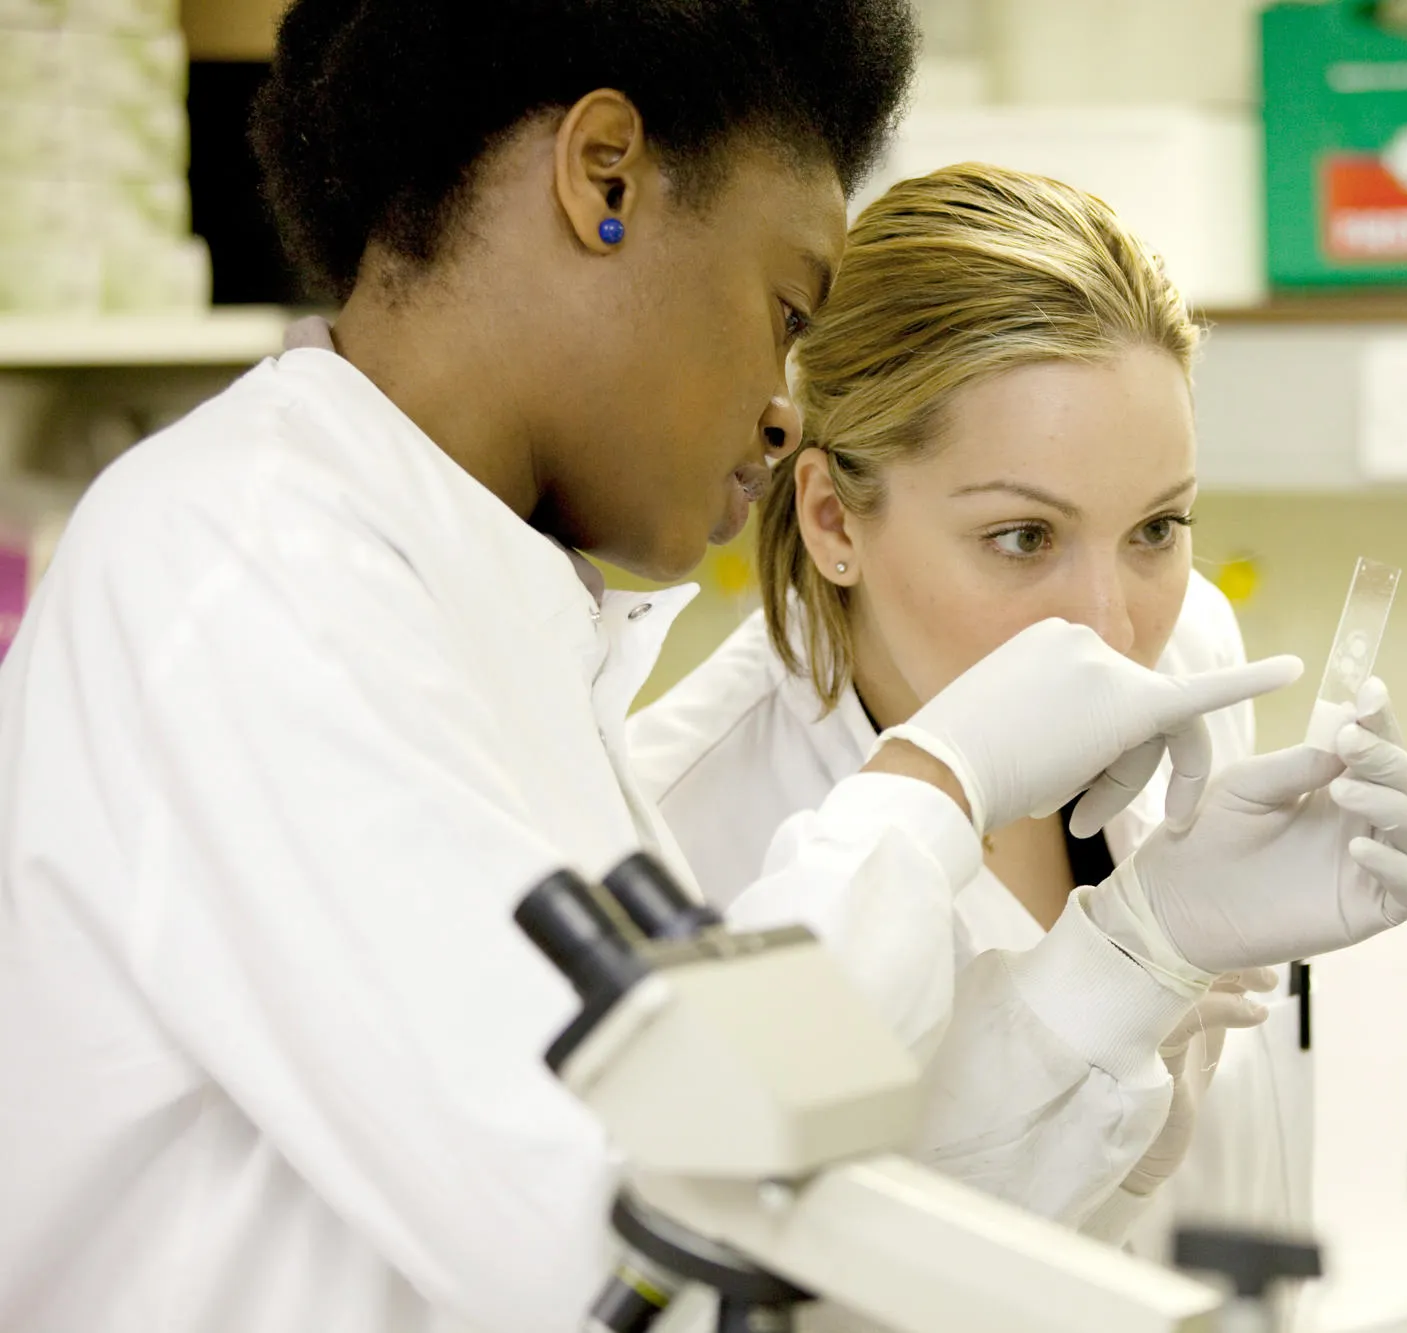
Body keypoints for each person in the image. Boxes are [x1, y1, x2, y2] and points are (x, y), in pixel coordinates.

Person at [0, 7, 1330, 1333]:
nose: (780, 403)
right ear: (607, 179)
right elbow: (640, 1231)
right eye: (784, 306)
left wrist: (1137, 958)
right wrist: (935, 780)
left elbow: (806, 1230)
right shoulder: (242, 568)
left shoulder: (486, 613)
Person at [630, 164, 1407, 1243]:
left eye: (1156, 526)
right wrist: (1140, 963)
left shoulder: (1188, 639)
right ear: (832, 520)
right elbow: (783, 1263)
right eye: (1022, 537)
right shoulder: (681, 820)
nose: (1108, 625)